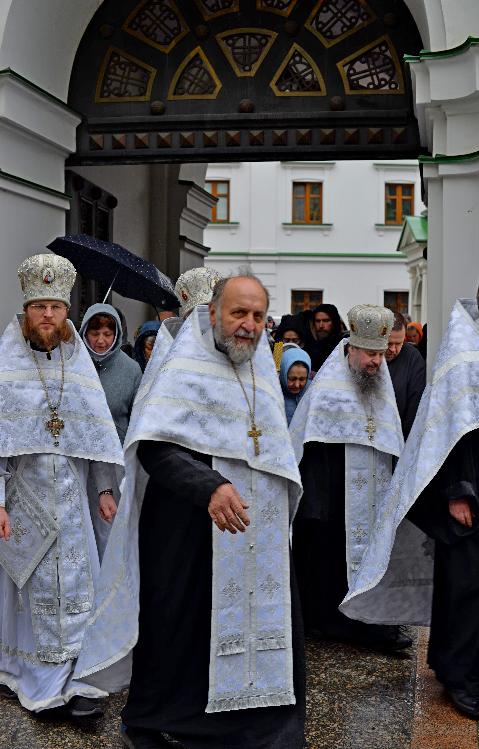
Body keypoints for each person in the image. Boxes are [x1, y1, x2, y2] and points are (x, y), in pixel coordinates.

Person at [120, 274, 305, 749]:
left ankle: (261, 717)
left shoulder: (262, 371)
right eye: (238, 313)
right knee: (181, 625)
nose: (247, 325)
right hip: (187, 530)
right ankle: (170, 718)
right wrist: (210, 486)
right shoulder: (184, 367)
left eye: (258, 316)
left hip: (254, 531)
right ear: (214, 313)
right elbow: (154, 449)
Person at [340, 268, 479, 718]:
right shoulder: (461, 357)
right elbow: (443, 434)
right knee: (472, 583)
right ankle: (462, 677)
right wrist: (456, 493)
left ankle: (478, 669)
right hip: (473, 491)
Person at [0, 254, 126, 717]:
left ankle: (77, 676)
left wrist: (105, 491)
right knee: (29, 591)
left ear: (66, 309)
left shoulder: (79, 366)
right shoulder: (5, 365)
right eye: (39, 307)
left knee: (78, 588)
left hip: (73, 503)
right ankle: (36, 676)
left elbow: (96, 442)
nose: (48, 315)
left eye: (55, 306)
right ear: (26, 311)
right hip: (24, 499)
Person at [290, 304, 412, 653]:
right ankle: (329, 623)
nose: (376, 362)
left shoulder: (381, 387)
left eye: (380, 354)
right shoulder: (327, 388)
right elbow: (307, 445)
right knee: (327, 562)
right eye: (369, 354)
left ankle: (372, 622)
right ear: (351, 348)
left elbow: (392, 439)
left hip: (373, 493)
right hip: (331, 499)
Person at [79, 304, 142, 559]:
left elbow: (137, 418)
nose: (101, 340)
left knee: (112, 530)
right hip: (81, 459)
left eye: (108, 333)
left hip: (116, 462)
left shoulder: (131, 370)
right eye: (95, 333)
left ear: (117, 335)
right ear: (84, 332)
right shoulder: (75, 364)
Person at [385, 312, 426, 439]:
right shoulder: (368, 356)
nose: (393, 350)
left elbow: (416, 404)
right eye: (388, 343)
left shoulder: (413, 358)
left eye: (398, 343)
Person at [303, 303, 342, 373]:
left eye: (326, 321)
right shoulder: (307, 345)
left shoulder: (342, 346)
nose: (321, 325)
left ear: (334, 322)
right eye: (318, 321)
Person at [279, 348, 311, 425]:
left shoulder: (313, 391)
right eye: (292, 379)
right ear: (283, 375)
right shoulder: (275, 393)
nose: (297, 385)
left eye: (302, 379)